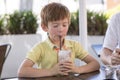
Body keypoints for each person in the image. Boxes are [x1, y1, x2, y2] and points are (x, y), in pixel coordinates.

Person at [17, 2, 100, 77]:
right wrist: (52, 71)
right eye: (55, 26)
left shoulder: (74, 46)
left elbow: (95, 64)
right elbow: (22, 71)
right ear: (45, 27)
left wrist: (77, 69)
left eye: (64, 25)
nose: (60, 29)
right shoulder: (40, 48)